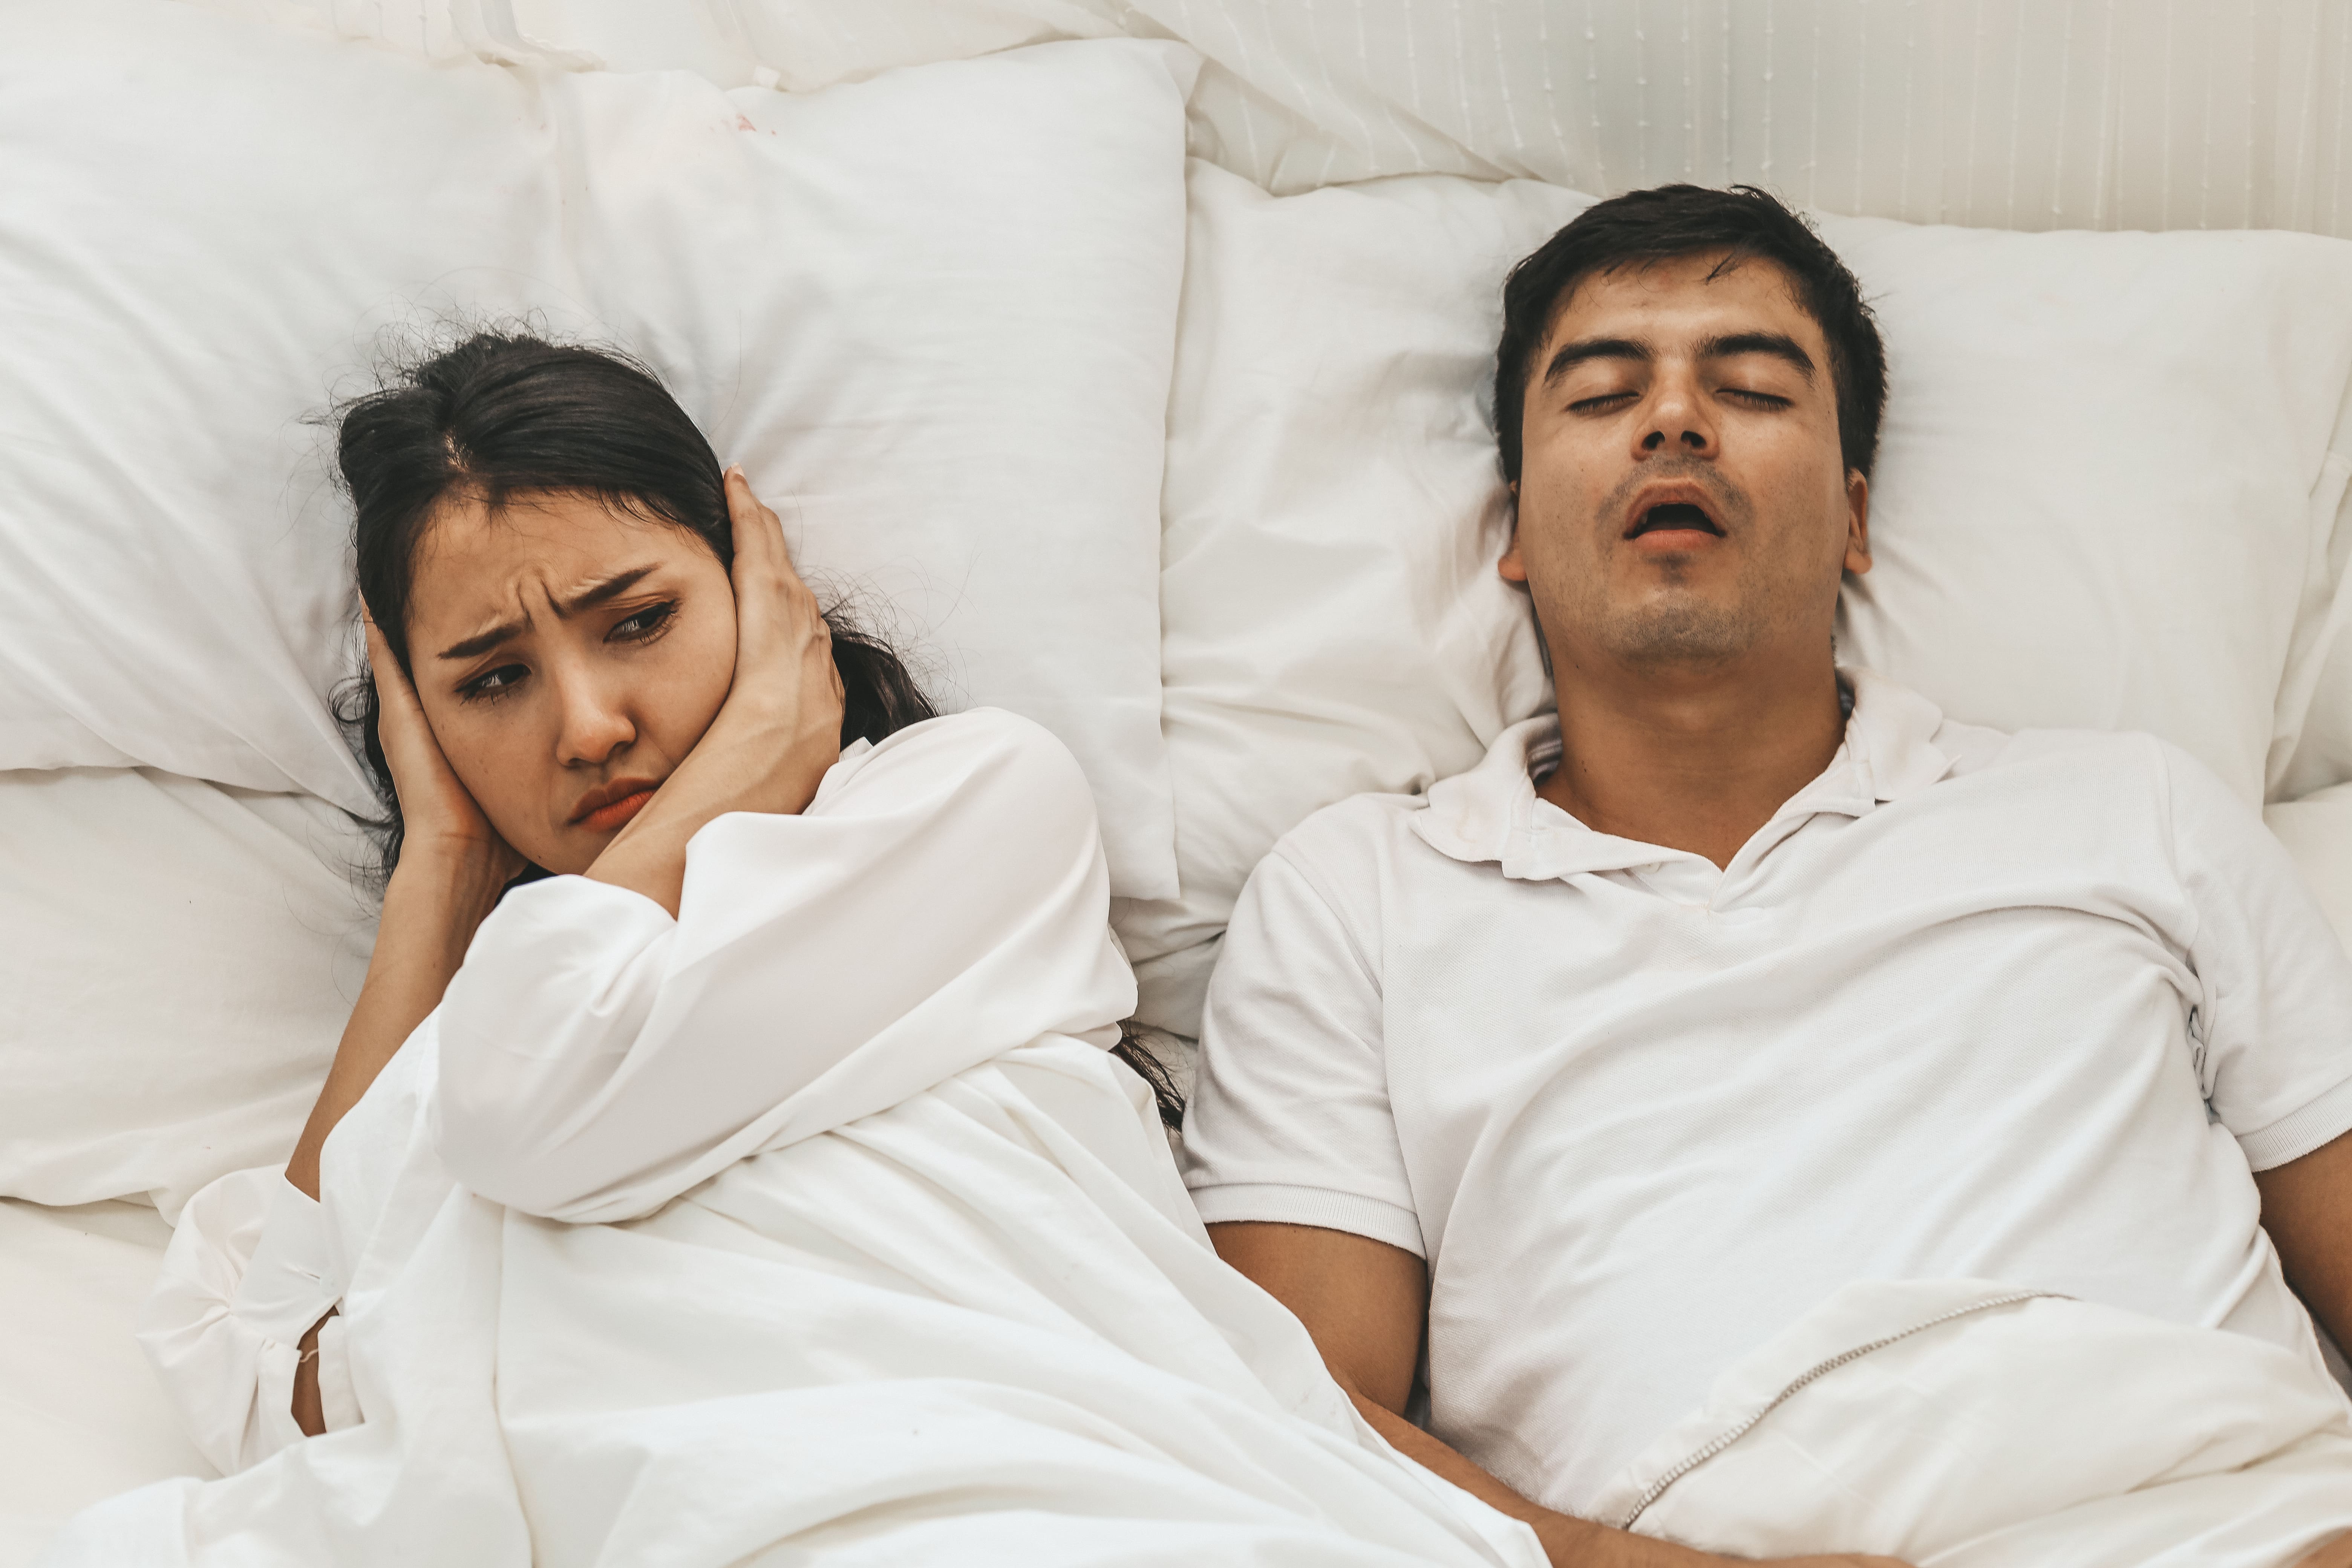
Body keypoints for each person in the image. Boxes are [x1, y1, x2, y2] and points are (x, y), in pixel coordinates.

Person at [47, 333, 1556, 1568]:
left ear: (760, 595)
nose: (585, 723)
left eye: (637, 620)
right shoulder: (488, 1015)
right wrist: (436, 868)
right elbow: (268, 1370)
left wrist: (761, 745)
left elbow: (533, 1102)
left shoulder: (969, 805)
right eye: (493, 679)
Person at [1181, 185, 2352, 1567]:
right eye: (1604, 393)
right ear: (1512, 530)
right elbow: (1312, 1429)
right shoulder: (1355, 894)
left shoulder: (2132, 808)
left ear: (1855, 516)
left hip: (2243, 1518)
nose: (1675, 419)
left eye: (1748, 386)